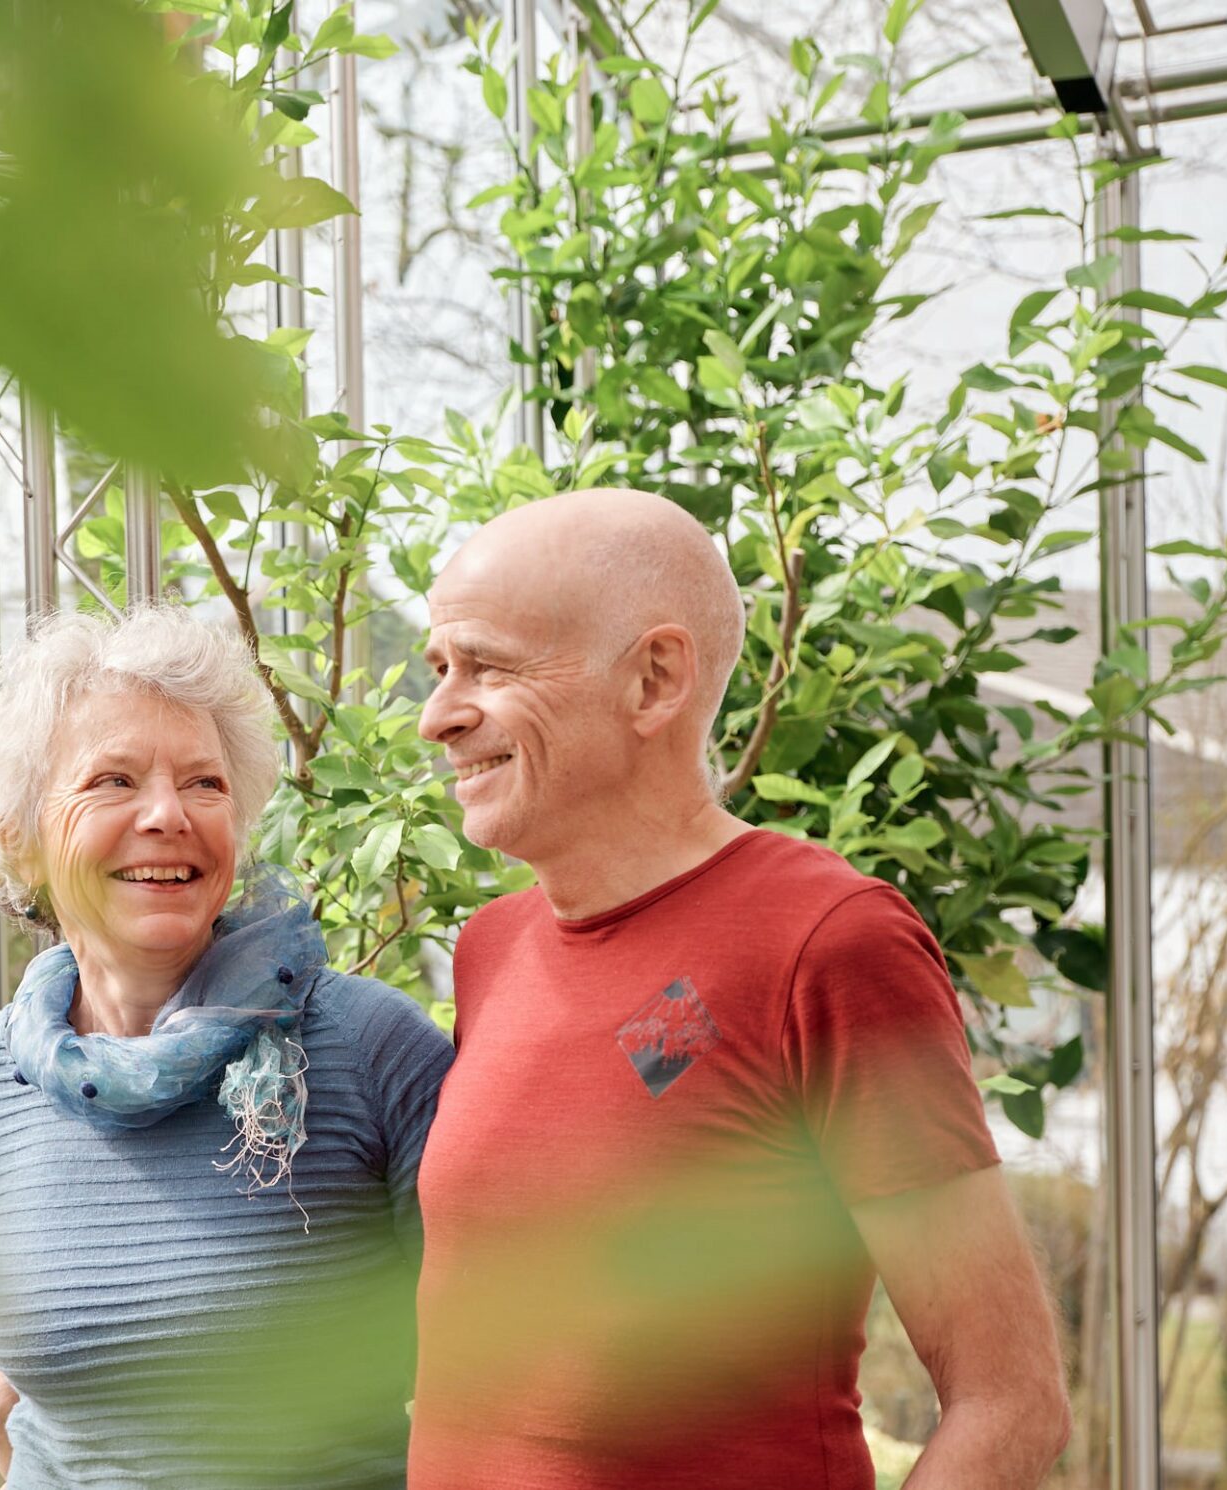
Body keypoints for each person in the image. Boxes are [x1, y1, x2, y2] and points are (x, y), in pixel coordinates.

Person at [406, 488, 1073, 1489]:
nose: (436, 716)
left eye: (487, 666)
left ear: (653, 679)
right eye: (438, 669)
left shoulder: (829, 943)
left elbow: (1010, 1399)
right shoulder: (490, 948)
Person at [0, 603, 453, 1488]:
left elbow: (511, 1334)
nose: (169, 814)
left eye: (205, 784)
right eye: (113, 781)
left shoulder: (366, 1047)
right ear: (21, 842)